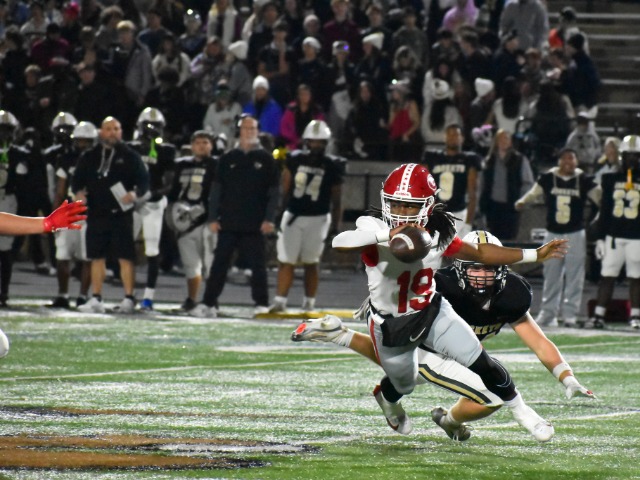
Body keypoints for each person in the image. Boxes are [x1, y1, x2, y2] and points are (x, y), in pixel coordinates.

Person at [320, 163, 567, 438]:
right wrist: (386, 235)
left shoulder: (437, 232)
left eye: (410, 206)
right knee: (404, 384)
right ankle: (388, 401)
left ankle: (524, 412)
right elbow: (340, 242)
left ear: (427, 205)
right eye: (396, 204)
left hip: (432, 311)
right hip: (390, 324)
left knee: (478, 358)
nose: (401, 212)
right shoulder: (373, 226)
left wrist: (534, 254)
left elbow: (480, 254)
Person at [292, 229, 595, 441]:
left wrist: (567, 377)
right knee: (490, 395)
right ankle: (451, 421)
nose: (482, 275)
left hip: (448, 351)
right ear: (459, 268)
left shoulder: (512, 294)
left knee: (406, 372)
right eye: (475, 269)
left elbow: (538, 341)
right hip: (427, 345)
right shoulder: (441, 284)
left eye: (489, 269)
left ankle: (339, 335)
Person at [189, 114, 280, 318]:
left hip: (255, 222)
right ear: (239, 131)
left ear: (257, 131)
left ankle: (261, 303)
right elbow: (216, 190)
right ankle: (209, 302)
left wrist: (269, 218)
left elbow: (274, 193)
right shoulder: (228, 158)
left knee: (258, 266)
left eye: (252, 129)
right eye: (245, 128)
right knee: (219, 265)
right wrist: (213, 217)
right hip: (229, 221)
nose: (249, 132)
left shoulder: (266, 159)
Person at [72, 117, 149, 314]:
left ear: (121, 131)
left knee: (125, 257)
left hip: (120, 214)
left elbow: (143, 181)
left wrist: (134, 193)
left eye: (116, 128)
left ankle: (129, 298)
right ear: (101, 132)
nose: (112, 132)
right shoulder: (89, 156)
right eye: (108, 129)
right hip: (96, 212)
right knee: (96, 257)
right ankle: (96, 297)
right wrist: (78, 193)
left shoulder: (130, 156)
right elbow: (77, 180)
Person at [515, 148, 600, 327]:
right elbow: (534, 193)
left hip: (575, 232)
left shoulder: (583, 179)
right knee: (551, 274)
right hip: (553, 232)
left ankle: (570, 314)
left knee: (575, 276)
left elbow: (600, 198)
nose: (568, 162)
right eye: (565, 158)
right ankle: (548, 313)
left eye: (572, 158)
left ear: (576, 161)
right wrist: (523, 201)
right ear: (559, 160)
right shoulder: (548, 177)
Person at [270, 120, 345, 313]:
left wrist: (336, 226)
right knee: (286, 260)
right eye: (313, 141)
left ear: (326, 143)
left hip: (318, 218)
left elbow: (337, 199)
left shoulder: (332, 165)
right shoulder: (294, 159)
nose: (316, 145)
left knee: (312, 262)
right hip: (294, 215)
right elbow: (285, 189)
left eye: (320, 142)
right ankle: (280, 300)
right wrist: (278, 213)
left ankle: (309, 302)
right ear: (306, 141)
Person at [127, 108, 176, 311]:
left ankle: (148, 297)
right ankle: (128, 295)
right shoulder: (130, 148)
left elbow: (169, 183)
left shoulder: (166, 150)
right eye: (148, 126)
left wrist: (149, 194)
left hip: (153, 203)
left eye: (156, 127)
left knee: (152, 249)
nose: (152, 131)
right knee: (126, 249)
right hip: (132, 204)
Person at [589, 135, 640, 330]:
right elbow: (605, 210)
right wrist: (600, 238)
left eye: (636, 155)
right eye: (629, 155)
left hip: (636, 236)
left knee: (636, 278)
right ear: (622, 156)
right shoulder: (609, 178)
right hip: (614, 236)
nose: (632, 159)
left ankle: (635, 315)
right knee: (607, 276)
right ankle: (598, 315)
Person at [49, 120, 98, 309]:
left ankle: (82, 296)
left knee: (87, 258)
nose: (83, 145)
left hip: (91, 213)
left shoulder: (100, 160)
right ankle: (63, 294)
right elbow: (60, 191)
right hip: (69, 212)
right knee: (62, 255)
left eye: (87, 141)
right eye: (80, 140)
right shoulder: (67, 158)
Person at [166, 130, 218, 312]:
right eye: (197, 143)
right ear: (192, 146)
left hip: (207, 220)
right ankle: (191, 299)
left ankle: (211, 301)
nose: (201, 146)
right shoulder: (182, 164)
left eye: (205, 142)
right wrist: (172, 212)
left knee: (210, 264)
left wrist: (213, 213)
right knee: (190, 265)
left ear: (211, 146)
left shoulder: (217, 164)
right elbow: (174, 191)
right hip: (184, 220)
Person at [422, 124, 481, 240]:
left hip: (459, 213)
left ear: (462, 138)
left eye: (456, 134)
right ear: (444, 137)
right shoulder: (432, 157)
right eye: (449, 134)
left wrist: (468, 223)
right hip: (436, 214)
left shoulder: (469, 159)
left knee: (458, 250)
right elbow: (424, 189)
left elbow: (473, 193)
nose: (452, 137)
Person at [480, 129, 534, 240]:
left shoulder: (519, 160)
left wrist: (522, 201)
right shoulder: (489, 160)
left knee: (510, 238)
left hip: (511, 206)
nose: (503, 141)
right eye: (501, 138)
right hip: (492, 207)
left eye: (506, 138)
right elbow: (482, 183)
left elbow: (527, 182)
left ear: (510, 142)